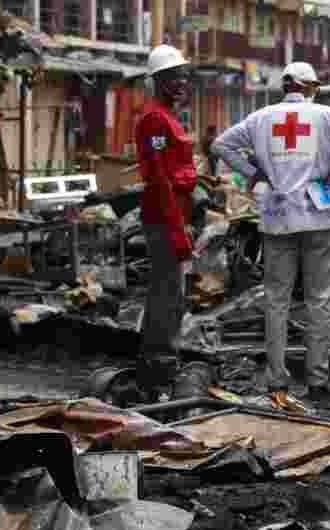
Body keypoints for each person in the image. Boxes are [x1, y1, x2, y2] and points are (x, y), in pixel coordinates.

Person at [211, 61, 330, 405]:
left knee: (276, 301)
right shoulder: (327, 116)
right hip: (318, 217)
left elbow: (220, 145)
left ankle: (277, 381)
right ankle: (317, 380)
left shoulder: (260, 118)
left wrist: (253, 173)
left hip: (276, 218)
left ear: (285, 87)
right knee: (320, 300)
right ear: (310, 87)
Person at [134, 45, 198, 397]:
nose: (180, 83)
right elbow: (160, 180)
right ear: (156, 82)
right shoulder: (155, 120)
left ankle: (162, 361)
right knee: (166, 294)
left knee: (172, 293)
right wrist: (177, 231)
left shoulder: (169, 117)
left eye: (183, 76)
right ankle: (158, 366)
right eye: (171, 77)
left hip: (176, 212)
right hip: (164, 214)